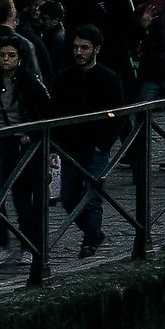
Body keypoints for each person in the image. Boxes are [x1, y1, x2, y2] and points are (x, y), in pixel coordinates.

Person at [50, 25, 126, 257]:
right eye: (76, 47)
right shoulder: (65, 77)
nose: (79, 52)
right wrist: (55, 144)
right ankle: (92, 232)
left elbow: (117, 114)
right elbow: (56, 112)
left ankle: (89, 241)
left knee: (92, 196)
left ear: (96, 49)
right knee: (69, 198)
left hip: (95, 147)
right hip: (71, 146)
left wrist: (104, 143)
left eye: (84, 48)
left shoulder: (109, 78)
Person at [0, 35, 49, 267]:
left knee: (22, 199)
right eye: (3, 55)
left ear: (20, 59)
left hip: (22, 144)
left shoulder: (30, 83)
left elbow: (46, 112)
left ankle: (28, 245)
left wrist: (33, 134)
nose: (6, 59)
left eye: (11, 55)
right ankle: (3, 244)